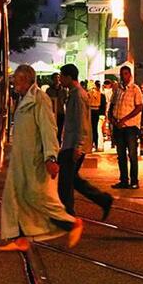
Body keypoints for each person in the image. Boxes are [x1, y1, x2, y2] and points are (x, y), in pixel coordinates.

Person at [0, 64, 83, 252]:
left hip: (35, 161)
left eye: (18, 80)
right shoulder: (23, 99)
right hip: (21, 160)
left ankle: (72, 223)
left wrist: (51, 158)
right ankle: (20, 239)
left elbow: (48, 129)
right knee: (14, 199)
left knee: (39, 198)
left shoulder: (40, 99)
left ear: (27, 80)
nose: (15, 84)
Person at [57, 64, 113, 219]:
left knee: (65, 181)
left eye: (62, 76)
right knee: (72, 179)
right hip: (70, 142)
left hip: (74, 144)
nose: (60, 79)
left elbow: (82, 122)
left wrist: (78, 146)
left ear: (69, 77)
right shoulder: (74, 93)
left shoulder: (78, 95)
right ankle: (103, 199)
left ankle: (67, 213)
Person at [108, 66, 143, 189]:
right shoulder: (118, 90)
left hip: (130, 127)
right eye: (122, 74)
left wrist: (124, 119)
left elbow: (139, 107)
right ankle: (123, 180)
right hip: (118, 127)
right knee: (121, 155)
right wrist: (111, 118)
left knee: (132, 154)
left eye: (126, 73)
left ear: (130, 74)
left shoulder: (135, 89)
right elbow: (112, 104)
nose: (124, 76)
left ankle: (134, 181)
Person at [87, 81, 102, 152]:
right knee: (94, 128)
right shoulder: (99, 93)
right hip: (96, 110)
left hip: (92, 110)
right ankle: (95, 144)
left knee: (91, 129)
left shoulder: (91, 92)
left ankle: (92, 144)